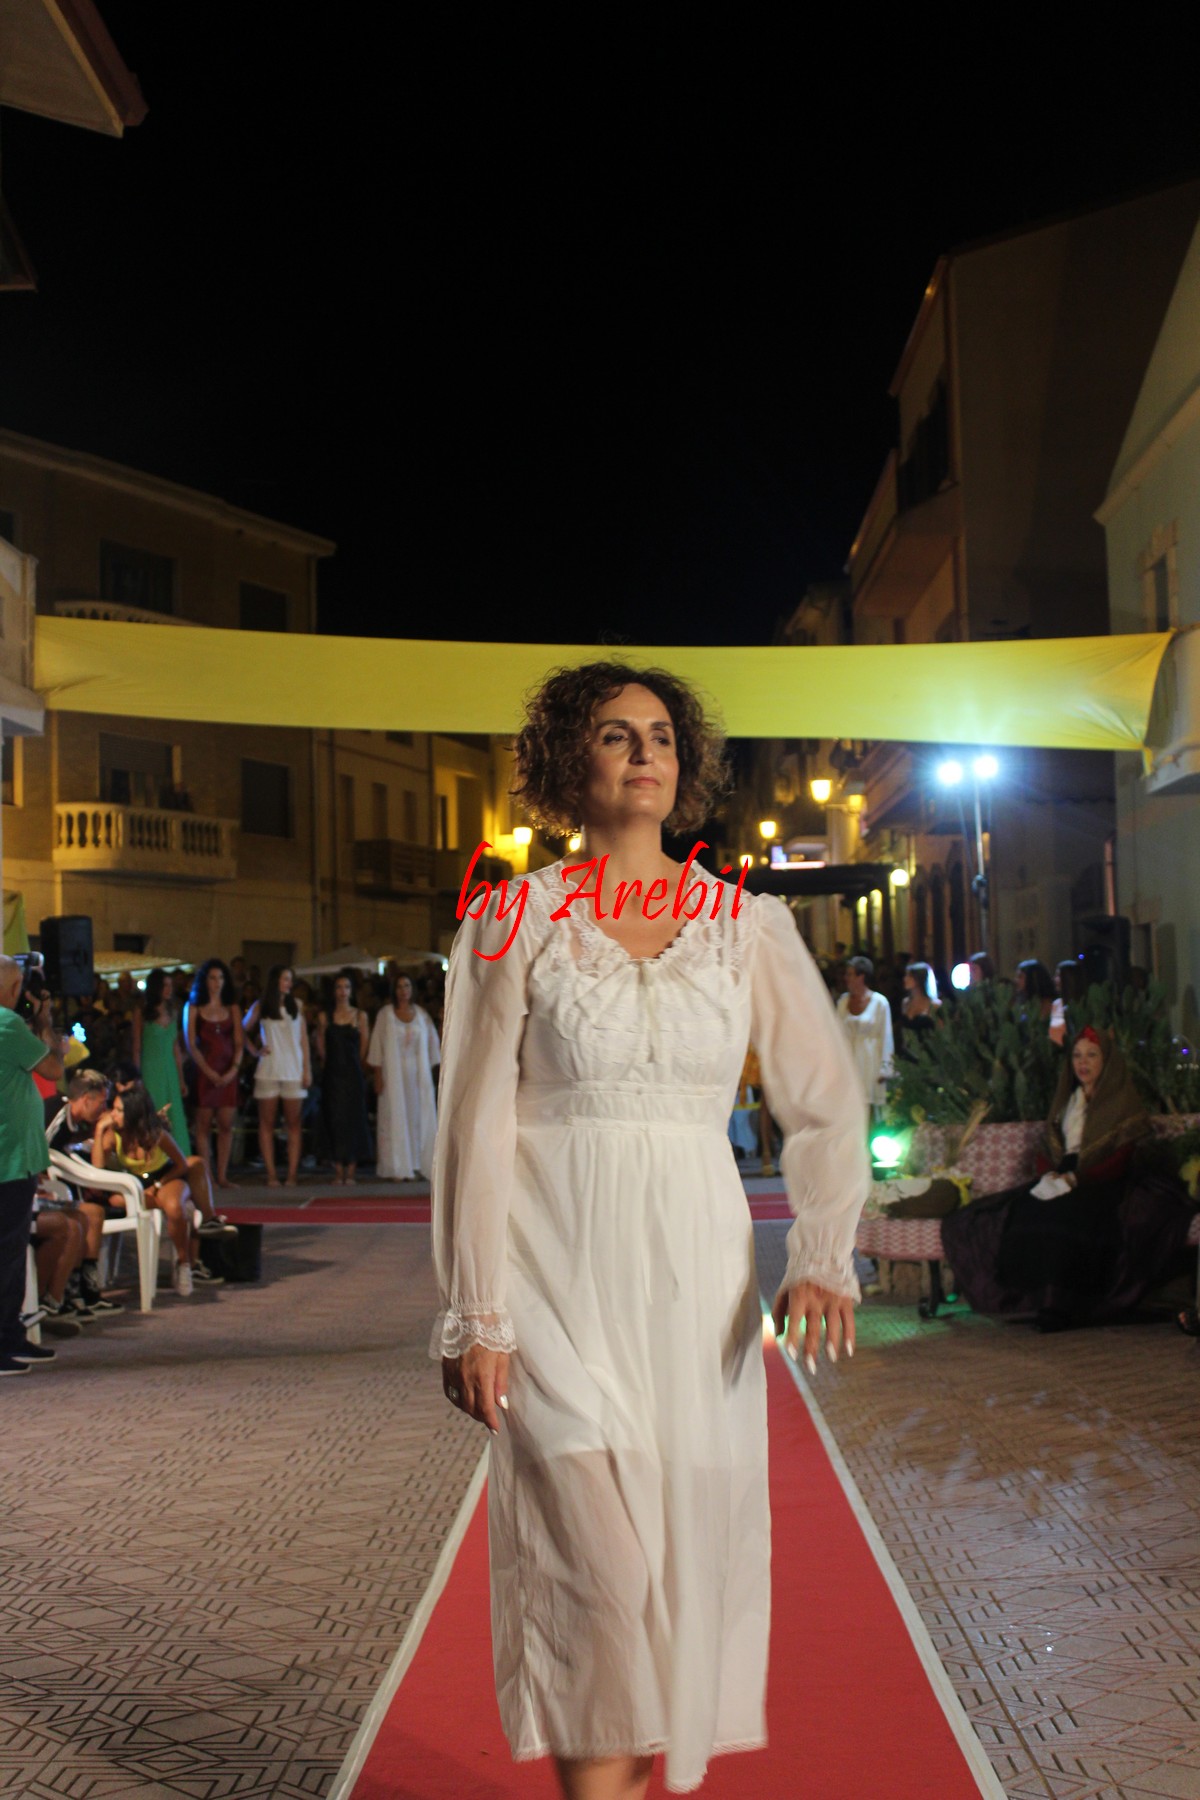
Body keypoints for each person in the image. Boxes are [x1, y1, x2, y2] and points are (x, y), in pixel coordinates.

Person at [432, 663, 869, 1798]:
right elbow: (473, 1126)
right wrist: (475, 1312)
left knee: (668, 1602)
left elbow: (827, 1104)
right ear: (564, 761)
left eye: (663, 736)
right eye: (616, 734)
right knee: (598, 1585)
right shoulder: (512, 921)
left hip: (693, 1290)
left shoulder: (748, 926)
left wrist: (823, 1254)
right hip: (550, 1279)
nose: (644, 755)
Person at [942, 1026, 1192, 1331]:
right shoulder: (1069, 1101)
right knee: (1024, 1213)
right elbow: (1047, 1146)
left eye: (1091, 1055)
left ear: (1106, 1061)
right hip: (1062, 1175)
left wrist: (1077, 1180)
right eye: (1077, 1056)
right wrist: (1049, 1173)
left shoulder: (1121, 1101)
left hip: (1103, 1181)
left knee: (1068, 1218)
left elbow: (1122, 1157)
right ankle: (1030, 1301)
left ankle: (1061, 1306)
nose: (1083, 1063)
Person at [0, 956, 65, 1375]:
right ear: (13, 987)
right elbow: (53, 1068)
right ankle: (3, 1342)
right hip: (8, 1158)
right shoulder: (7, 1024)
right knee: (7, 1252)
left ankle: (11, 1335)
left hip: (13, 1156)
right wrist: (43, 1020)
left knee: (12, 1250)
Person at [92, 1084, 202, 1296]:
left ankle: (183, 1263)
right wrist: (99, 1131)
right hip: (139, 1182)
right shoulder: (114, 1134)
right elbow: (97, 1167)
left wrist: (159, 1185)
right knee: (116, 1201)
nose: (112, 1114)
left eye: (119, 1110)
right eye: (113, 1108)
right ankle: (183, 1210)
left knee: (173, 1207)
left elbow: (181, 1164)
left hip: (166, 1176)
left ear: (133, 1113)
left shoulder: (156, 1134)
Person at [367, 973, 440, 1180]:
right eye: (399, 986)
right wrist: (378, 1076)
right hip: (393, 1077)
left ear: (412, 989)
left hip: (417, 1078)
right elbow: (377, 1047)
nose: (403, 990)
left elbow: (433, 1047)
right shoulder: (385, 1015)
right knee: (395, 1117)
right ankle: (397, 1166)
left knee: (418, 1119)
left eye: (407, 986)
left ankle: (419, 1164)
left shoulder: (422, 1015)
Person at [244, 965, 310, 1187]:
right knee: (267, 1123)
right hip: (269, 1068)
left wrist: (307, 1069)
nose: (289, 983)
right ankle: (271, 1174)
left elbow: (303, 1039)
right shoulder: (262, 1005)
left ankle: (292, 1174)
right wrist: (254, 1050)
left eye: (290, 979)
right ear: (275, 981)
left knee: (294, 1123)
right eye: (285, 979)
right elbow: (241, 1029)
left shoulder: (297, 1005)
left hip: (293, 1069)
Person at [186, 959, 244, 1189]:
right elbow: (191, 1044)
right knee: (203, 1126)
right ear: (205, 981)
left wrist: (233, 1070)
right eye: (212, 978)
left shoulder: (232, 1007)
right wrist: (208, 1071)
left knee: (226, 1124)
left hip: (228, 1070)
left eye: (220, 978)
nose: (216, 983)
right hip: (205, 1071)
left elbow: (239, 1042)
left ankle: (222, 1175)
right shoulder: (194, 1007)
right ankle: (207, 1176)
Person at [316, 970, 372, 1183]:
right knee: (334, 1119)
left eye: (346, 987)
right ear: (333, 991)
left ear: (351, 991)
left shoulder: (360, 1016)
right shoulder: (324, 1017)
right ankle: (338, 1169)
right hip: (332, 1074)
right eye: (339, 987)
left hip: (353, 1074)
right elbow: (321, 1045)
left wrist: (355, 1064)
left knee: (354, 1119)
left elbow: (364, 1046)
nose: (342, 991)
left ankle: (351, 1170)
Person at [133, 969, 192, 1156]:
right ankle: (155, 1157)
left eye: (170, 985)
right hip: (151, 1069)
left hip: (170, 1070)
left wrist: (181, 1079)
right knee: (154, 1111)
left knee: (174, 1115)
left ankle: (178, 1158)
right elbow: (137, 1047)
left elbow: (176, 1048)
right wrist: (137, 1077)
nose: (169, 989)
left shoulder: (173, 1012)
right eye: (165, 985)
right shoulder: (142, 1012)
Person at [836, 953, 895, 1117]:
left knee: (868, 1108)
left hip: (869, 1062)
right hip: (848, 1060)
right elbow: (836, 1033)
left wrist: (885, 1068)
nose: (846, 978)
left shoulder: (880, 1003)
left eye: (850, 974)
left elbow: (886, 1037)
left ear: (861, 977)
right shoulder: (843, 1001)